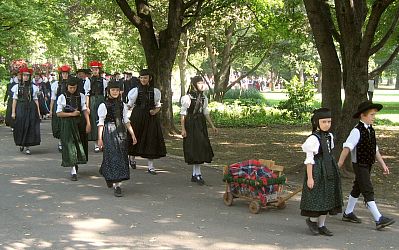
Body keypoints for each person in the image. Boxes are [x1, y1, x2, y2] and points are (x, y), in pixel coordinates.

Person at [338, 101, 395, 230]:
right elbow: (347, 148)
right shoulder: (356, 131)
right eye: (372, 115)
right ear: (363, 115)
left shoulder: (371, 131)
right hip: (359, 164)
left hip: (368, 164)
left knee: (358, 187)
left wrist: (383, 164)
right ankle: (378, 218)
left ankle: (348, 213)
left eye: (374, 115)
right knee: (367, 189)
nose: (374, 117)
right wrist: (340, 163)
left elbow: (375, 150)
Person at [300, 108, 343, 236]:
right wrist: (310, 178)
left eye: (329, 121)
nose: (327, 124)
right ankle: (312, 221)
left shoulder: (329, 136)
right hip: (317, 170)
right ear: (316, 123)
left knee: (328, 197)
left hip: (329, 168)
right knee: (317, 197)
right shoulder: (313, 139)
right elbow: (309, 160)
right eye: (324, 122)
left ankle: (322, 225)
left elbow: (329, 152)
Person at [97, 80, 137, 197]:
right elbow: (101, 122)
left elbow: (126, 120)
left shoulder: (122, 105)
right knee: (112, 155)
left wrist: (133, 134)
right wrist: (99, 139)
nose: (115, 92)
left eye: (117, 90)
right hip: (109, 131)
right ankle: (116, 185)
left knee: (121, 156)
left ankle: (115, 180)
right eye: (113, 90)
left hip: (121, 132)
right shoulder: (103, 105)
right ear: (108, 91)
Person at [127, 69, 166, 174]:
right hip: (137, 115)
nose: (143, 80)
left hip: (150, 117)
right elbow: (130, 104)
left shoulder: (155, 91)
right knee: (135, 136)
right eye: (141, 78)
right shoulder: (135, 90)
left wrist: (155, 111)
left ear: (150, 78)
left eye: (145, 78)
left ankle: (150, 166)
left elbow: (158, 106)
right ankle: (132, 158)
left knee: (150, 139)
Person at [180, 76, 217, 185]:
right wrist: (183, 129)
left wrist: (212, 126)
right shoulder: (187, 98)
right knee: (194, 147)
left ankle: (195, 174)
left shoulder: (204, 98)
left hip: (200, 124)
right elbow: (183, 114)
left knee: (201, 146)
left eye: (202, 83)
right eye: (200, 83)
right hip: (191, 124)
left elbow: (205, 112)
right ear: (194, 85)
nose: (202, 85)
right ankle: (197, 174)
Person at [56, 77, 91, 181]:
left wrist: (88, 123)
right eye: (70, 87)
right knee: (70, 145)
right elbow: (58, 113)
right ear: (67, 87)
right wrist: (72, 114)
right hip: (67, 123)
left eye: (74, 87)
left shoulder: (81, 96)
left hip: (79, 123)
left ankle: (76, 163)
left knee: (79, 144)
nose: (72, 89)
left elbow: (84, 110)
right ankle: (73, 170)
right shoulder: (62, 97)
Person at [11, 67, 41, 155]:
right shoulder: (17, 87)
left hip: (31, 108)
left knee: (30, 126)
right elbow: (14, 100)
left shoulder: (34, 87)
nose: (26, 77)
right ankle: (21, 143)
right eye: (24, 75)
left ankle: (28, 146)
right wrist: (13, 112)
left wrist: (38, 112)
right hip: (20, 108)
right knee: (21, 126)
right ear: (21, 76)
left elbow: (36, 100)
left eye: (28, 75)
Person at [87, 61, 108, 152]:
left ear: (99, 70)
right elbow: (87, 94)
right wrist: (87, 106)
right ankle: (96, 143)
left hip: (101, 100)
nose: (95, 71)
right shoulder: (88, 80)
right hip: (92, 100)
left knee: (102, 119)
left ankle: (103, 141)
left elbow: (105, 93)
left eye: (96, 69)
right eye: (93, 69)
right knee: (94, 119)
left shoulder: (103, 81)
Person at [50, 65, 71, 151]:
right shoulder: (56, 84)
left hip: (69, 105)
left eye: (66, 73)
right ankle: (60, 142)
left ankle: (68, 141)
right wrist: (51, 110)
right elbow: (53, 98)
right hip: (58, 106)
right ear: (60, 74)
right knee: (59, 124)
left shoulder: (71, 83)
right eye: (63, 73)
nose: (65, 75)